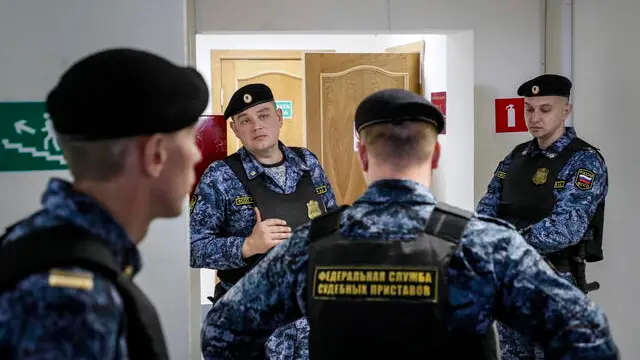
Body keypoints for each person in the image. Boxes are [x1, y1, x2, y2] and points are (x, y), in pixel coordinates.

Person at [200, 88, 619, 360]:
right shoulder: (487, 247)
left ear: (362, 156)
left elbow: (221, 332)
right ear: (435, 157)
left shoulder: (310, 247)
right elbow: (587, 336)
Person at [0, 48, 208, 359]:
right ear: (155, 155)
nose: (197, 155)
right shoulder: (71, 303)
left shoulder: (40, 241)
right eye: (190, 139)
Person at [190, 83, 337, 358]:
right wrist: (247, 246)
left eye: (264, 115)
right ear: (235, 129)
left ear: (279, 118)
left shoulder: (308, 163)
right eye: (245, 120)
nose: (256, 125)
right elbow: (191, 247)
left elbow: (332, 224)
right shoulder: (220, 177)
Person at [476, 74, 609, 360]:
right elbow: (485, 211)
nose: (535, 117)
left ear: (565, 111)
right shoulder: (516, 156)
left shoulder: (584, 161)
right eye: (529, 109)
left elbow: (566, 228)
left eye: (545, 109)